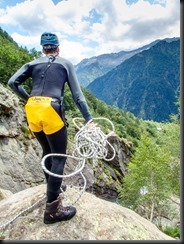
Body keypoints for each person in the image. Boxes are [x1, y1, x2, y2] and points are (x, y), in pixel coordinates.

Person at [8, 32, 93, 224]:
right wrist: (89, 119)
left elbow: (12, 82)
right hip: (51, 108)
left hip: (32, 108)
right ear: (58, 48)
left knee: (47, 151)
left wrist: (27, 98)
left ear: (42, 48)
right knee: (58, 157)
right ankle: (52, 210)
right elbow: (78, 96)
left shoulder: (32, 63)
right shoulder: (65, 63)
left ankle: (52, 187)